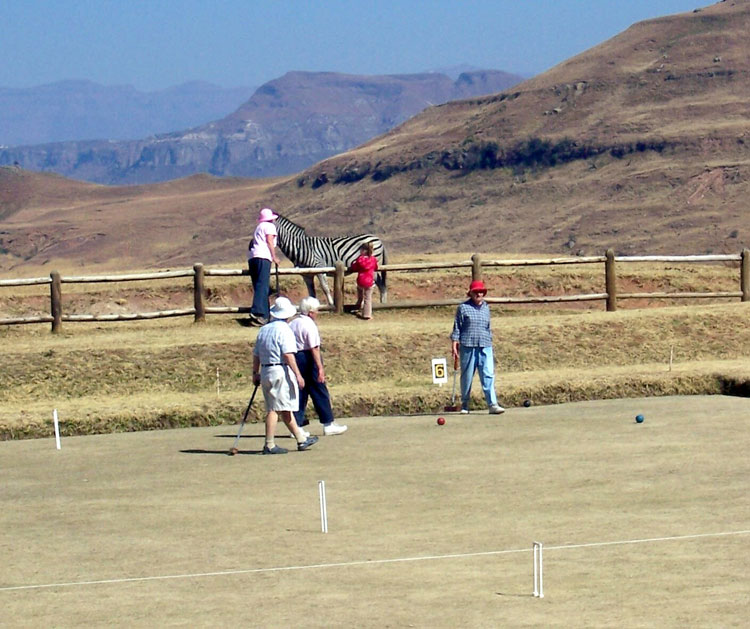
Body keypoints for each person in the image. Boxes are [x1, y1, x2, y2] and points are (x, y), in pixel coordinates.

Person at [253, 296, 319, 454]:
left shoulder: (264, 329)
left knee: (283, 407)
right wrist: (298, 375)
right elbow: (288, 355)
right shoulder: (285, 330)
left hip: (266, 371)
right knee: (274, 409)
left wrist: (255, 373)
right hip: (279, 371)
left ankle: (301, 439)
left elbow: (256, 354)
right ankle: (269, 444)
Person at [289, 296, 348, 436]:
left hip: (296, 357)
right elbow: (314, 348)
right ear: (310, 312)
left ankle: (296, 425)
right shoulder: (309, 325)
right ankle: (328, 423)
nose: (317, 313)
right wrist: (320, 367)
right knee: (319, 390)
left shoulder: (293, 322)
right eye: (316, 311)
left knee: (300, 392)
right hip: (308, 357)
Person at [450, 280, 504, 415]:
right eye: (476, 292)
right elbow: (457, 326)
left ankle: (492, 404)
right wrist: (455, 342)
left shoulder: (486, 307)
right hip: (468, 344)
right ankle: (465, 404)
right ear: (471, 293)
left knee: (488, 374)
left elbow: (488, 327)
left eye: (481, 292)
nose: (479, 294)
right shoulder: (463, 307)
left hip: (485, 344)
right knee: (467, 376)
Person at [248, 207, 281, 325]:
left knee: (259, 285)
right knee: (263, 285)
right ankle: (258, 312)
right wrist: (274, 257)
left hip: (253, 257)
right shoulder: (270, 227)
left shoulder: (258, 228)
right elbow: (270, 241)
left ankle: (265, 315)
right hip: (263, 256)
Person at [349, 242, 378, 319]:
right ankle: (367, 314)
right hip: (369, 281)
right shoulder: (373, 259)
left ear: (364, 250)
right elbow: (376, 267)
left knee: (360, 296)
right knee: (368, 298)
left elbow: (354, 267)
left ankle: (357, 308)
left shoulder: (360, 259)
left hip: (361, 281)